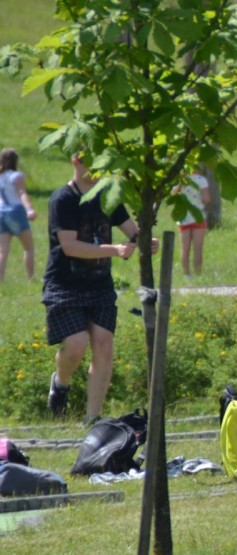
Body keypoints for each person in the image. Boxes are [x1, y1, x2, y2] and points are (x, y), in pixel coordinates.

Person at [43, 153, 158, 422]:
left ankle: (92, 418)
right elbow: (70, 246)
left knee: (104, 345)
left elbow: (132, 231)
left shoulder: (108, 196)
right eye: (88, 162)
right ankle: (60, 383)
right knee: (75, 345)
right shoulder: (63, 200)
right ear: (75, 161)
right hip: (65, 284)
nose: (94, 169)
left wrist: (145, 240)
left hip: (99, 285)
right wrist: (115, 250)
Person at [0, 148, 37, 281]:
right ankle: (31, 277)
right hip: (15, 211)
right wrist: (29, 209)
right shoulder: (17, 176)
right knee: (28, 248)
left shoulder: (1, 177)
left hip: (1, 212)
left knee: (2, 251)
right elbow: (22, 193)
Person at [175, 168, 210, 277]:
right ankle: (198, 274)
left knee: (185, 248)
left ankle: (187, 274)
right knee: (198, 248)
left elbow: (173, 193)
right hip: (198, 216)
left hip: (183, 217)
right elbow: (207, 199)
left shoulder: (180, 180)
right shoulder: (201, 180)